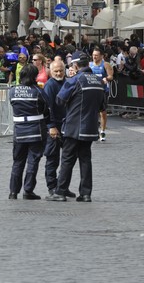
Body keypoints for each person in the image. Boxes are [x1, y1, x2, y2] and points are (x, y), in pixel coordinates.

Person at [46, 53, 106, 202]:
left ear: (76, 65)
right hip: (91, 127)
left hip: (73, 127)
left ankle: (60, 191)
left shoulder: (75, 80)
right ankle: (85, 194)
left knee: (67, 159)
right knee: (85, 159)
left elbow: (60, 100)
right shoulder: (99, 81)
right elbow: (102, 106)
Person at [8, 64, 50, 200]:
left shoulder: (13, 91)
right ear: (34, 76)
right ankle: (28, 190)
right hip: (35, 131)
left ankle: (13, 192)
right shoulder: (38, 91)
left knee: (18, 161)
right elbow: (45, 108)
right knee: (33, 162)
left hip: (19, 131)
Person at [43, 60, 76, 198]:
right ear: (50, 71)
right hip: (54, 126)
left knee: (67, 159)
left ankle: (63, 186)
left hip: (67, 126)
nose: (58, 73)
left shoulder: (68, 82)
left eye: (61, 70)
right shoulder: (49, 85)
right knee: (52, 158)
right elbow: (47, 108)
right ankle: (52, 187)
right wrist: (51, 126)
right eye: (56, 71)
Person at [89, 48, 113, 141]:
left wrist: (106, 79)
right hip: (92, 91)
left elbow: (111, 76)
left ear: (101, 56)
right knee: (92, 112)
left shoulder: (105, 64)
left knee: (102, 112)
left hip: (103, 91)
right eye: (93, 55)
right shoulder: (90, 65)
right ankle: (94, 130)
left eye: (96, 55)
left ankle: (102, 131)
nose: (94, 57)